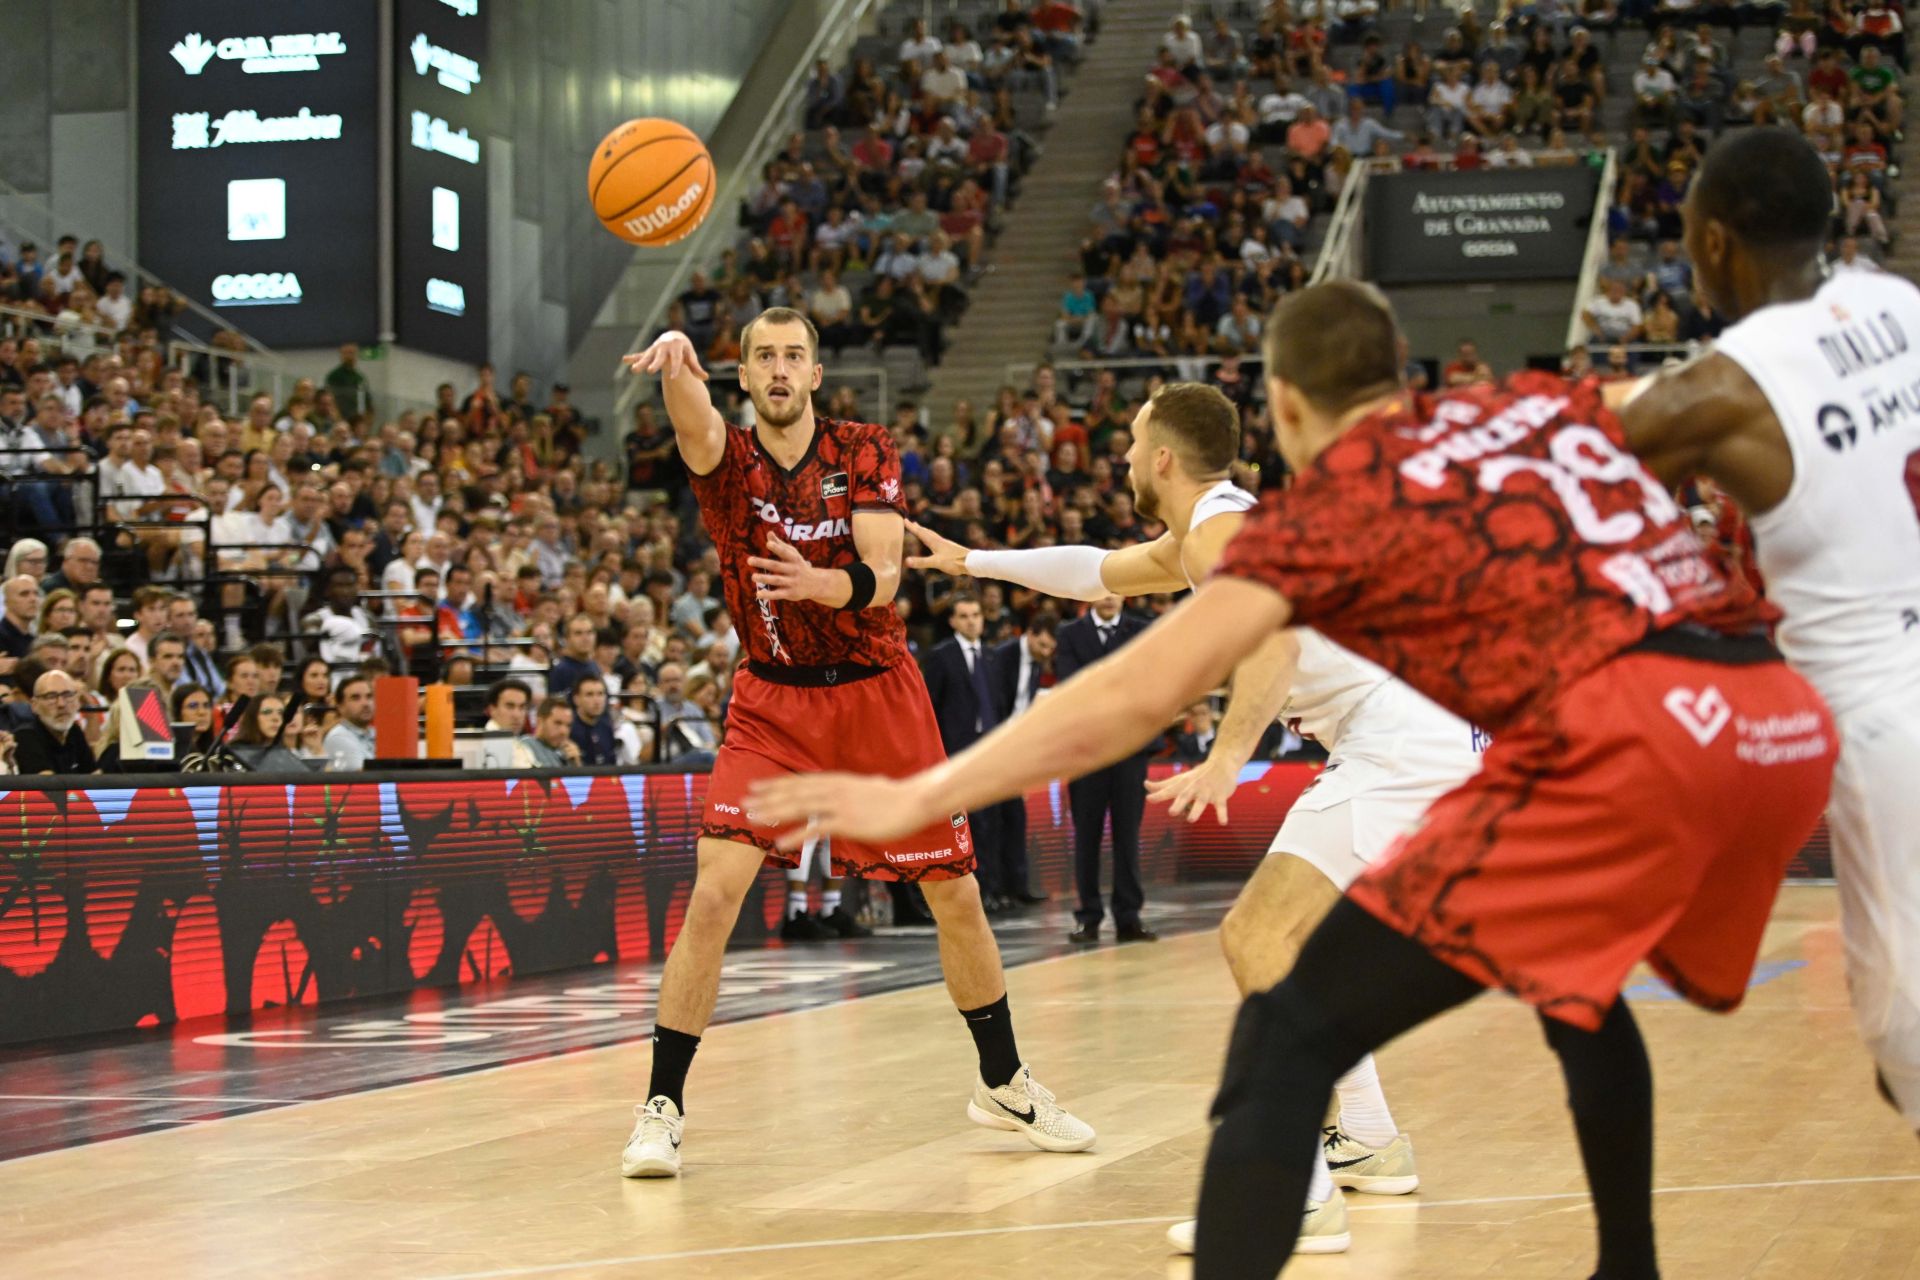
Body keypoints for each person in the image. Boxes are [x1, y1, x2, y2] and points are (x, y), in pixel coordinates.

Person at [748, 280, 1837, 1279]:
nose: (1123, 452)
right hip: (1436, 736)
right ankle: (1369, 1142)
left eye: (1130, 440)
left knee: (1268, 943)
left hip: (1404, 745)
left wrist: (1227, 750)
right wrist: (971, 560)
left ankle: (1309, 1193)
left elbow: (1256, 646)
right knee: (1414, 968)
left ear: (1162, 458)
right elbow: (1102, 575)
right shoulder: (1210, 525)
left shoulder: (1225, 531)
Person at [616, 309, 1092, 1180]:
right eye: (763, 358)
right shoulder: (728, 463)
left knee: (955, 893)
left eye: (794, 356)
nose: (779, 369)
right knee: (717, 891)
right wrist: (679, 364)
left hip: (877, 695)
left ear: (817, 372)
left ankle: (1005, 1081)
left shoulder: (863, 448)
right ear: (748, 377)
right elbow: (691, 419)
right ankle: (661, 1106)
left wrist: (814, 582)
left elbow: (881, 581)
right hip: (772, 701)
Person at [1612, 127, 1920, 1135]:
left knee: (1905, 1036)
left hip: (1883, 721)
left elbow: (1593, 469)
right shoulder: (1900, 305)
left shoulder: (1729, 384)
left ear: (1712, 241)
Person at [919, 593, 1011, 911]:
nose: (972, 620)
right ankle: (974, 892)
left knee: (992, 822)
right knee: (966, 825)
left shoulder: (991, 656)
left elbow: (998, 703)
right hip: (957, 751)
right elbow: (930, 704)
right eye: (964, 615)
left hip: (989, 750)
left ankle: (995, 889)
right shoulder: (942, 655)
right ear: (952, 621)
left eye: (976, 615)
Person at [984, 612, 1058, 906]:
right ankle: (993, 889)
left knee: (1016, 819)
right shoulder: (1002, 657)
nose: (1046, 652)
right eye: (1042, 645)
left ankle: (1017, 886)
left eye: (1051, 648)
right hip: (993, 748)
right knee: (991, 822)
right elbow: (994, 705)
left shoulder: (1038, 664)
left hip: (1016, 751)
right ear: (1030, 633)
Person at [15, 669, 94, 774]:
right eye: (51, 697)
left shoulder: (74, 731)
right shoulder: (26, 736)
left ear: (77, 701)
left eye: (67, 695)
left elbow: (94, 776)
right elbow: (47, 786)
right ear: (34, 705)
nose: (61, 704)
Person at [229, 692, 314, 771]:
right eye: (267, 712)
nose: (275, 718)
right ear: (252, 718)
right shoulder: (234, 753)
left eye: (281, 713)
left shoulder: (285, 755)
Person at [322, 675, 376, 771]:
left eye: (369, 696)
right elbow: (363, 777)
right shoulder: (338, 737)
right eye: (356, 698)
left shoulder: (377, 733)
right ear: (340, 706)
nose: (366, 703)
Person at [514, 696, 581, 768]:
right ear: (540, 722)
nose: (563, 731)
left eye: (568, 725)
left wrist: (576, 765)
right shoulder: (524, 747)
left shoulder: (567, 753)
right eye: (558, 723)